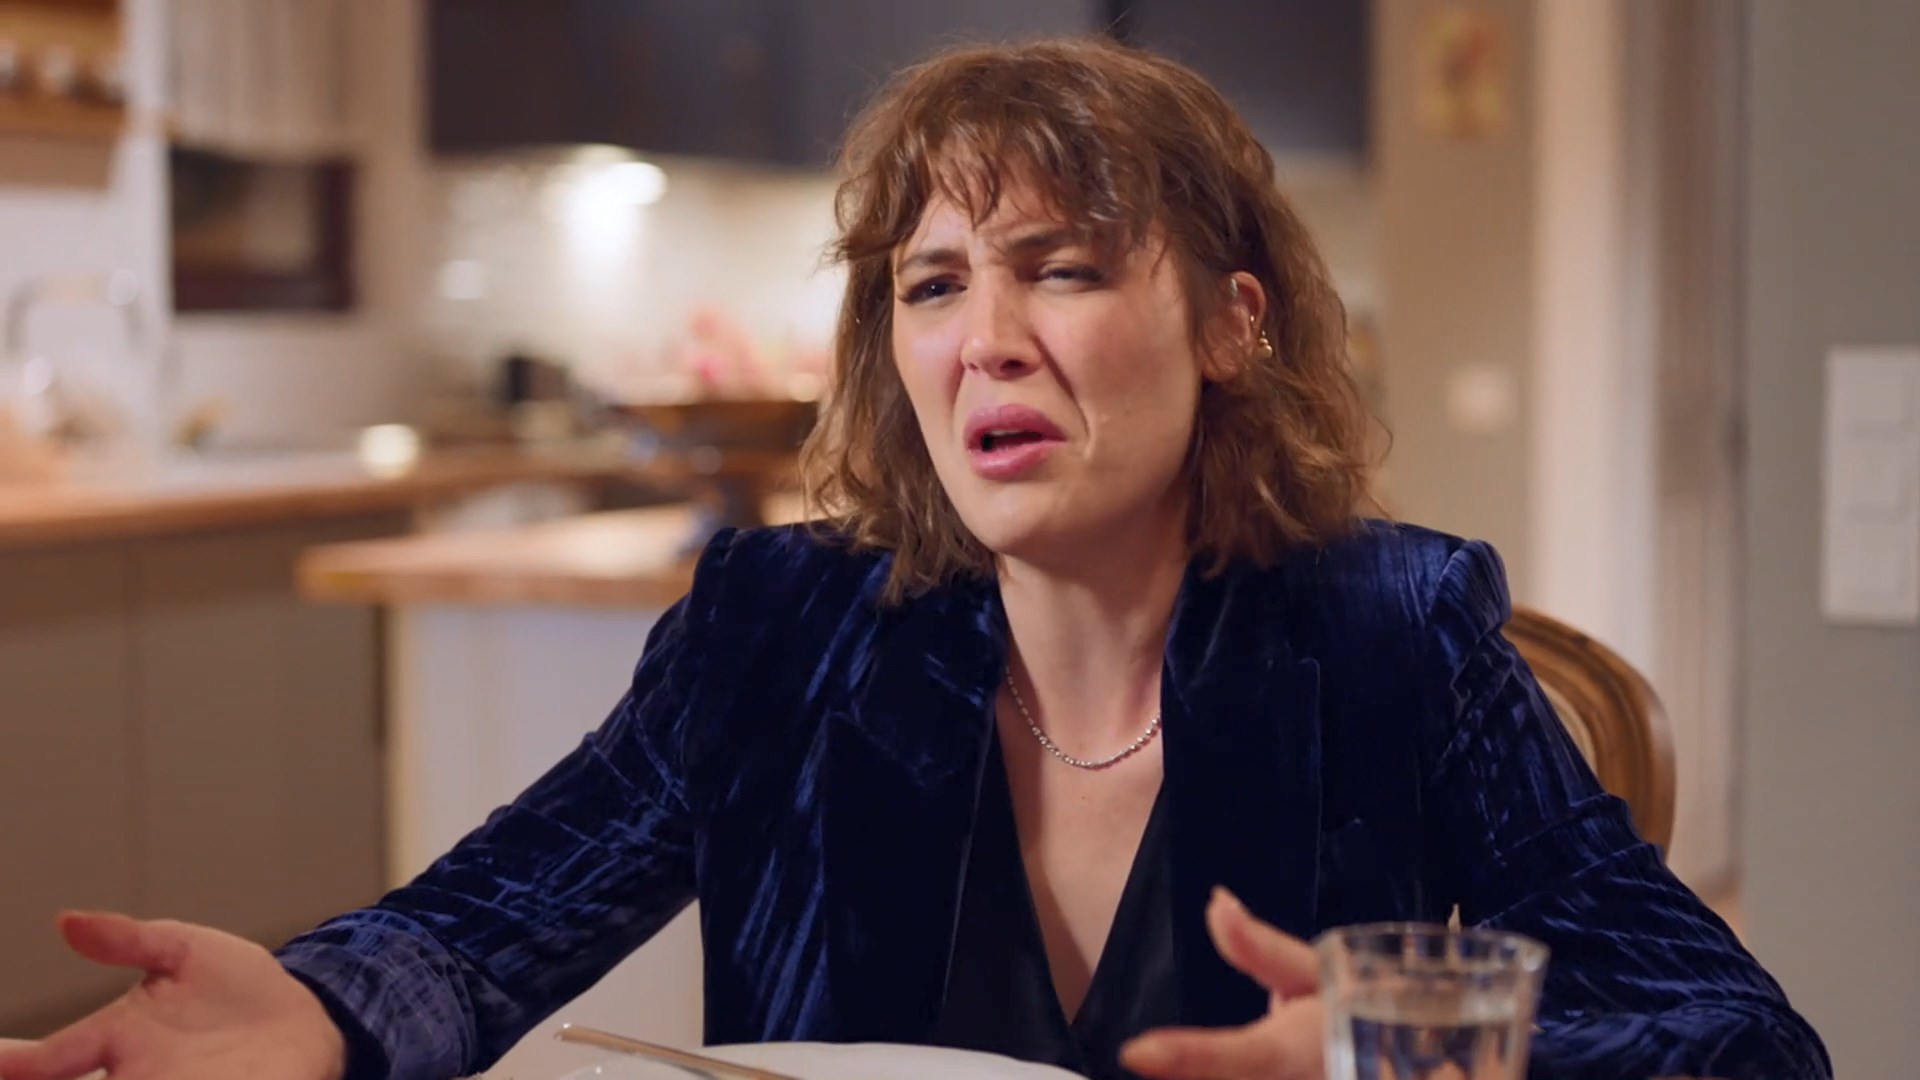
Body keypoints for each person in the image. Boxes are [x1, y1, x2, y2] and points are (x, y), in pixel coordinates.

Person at [0, 36, 1828, 1080]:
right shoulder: (776, 633)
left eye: (1063, 268)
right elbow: (476, 938)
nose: (983, 342)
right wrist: (314, 1013)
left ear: (1232, 323)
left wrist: (1401, 1058)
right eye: (933, 285)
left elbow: (1737, 1037)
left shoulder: (1394, 632)